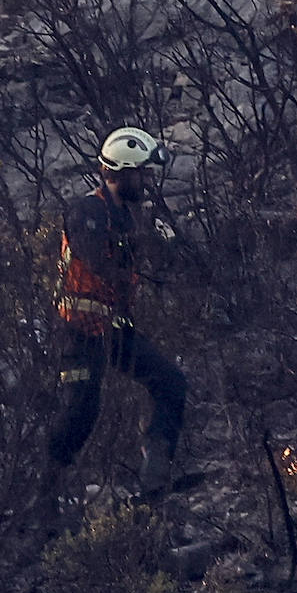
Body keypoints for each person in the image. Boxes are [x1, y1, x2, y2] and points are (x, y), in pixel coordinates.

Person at [44, 126, 187, 503]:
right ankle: (43, 494)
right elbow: (95, 258)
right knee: (82, 408)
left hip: (114, 330)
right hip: (77, 331)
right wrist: (139, 242)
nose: (147, 182)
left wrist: (161, 245)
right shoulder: (87, 210)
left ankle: (155, 472)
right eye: (141, 173)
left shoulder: (130, 217)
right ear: (122, 173)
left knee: (170, 382)